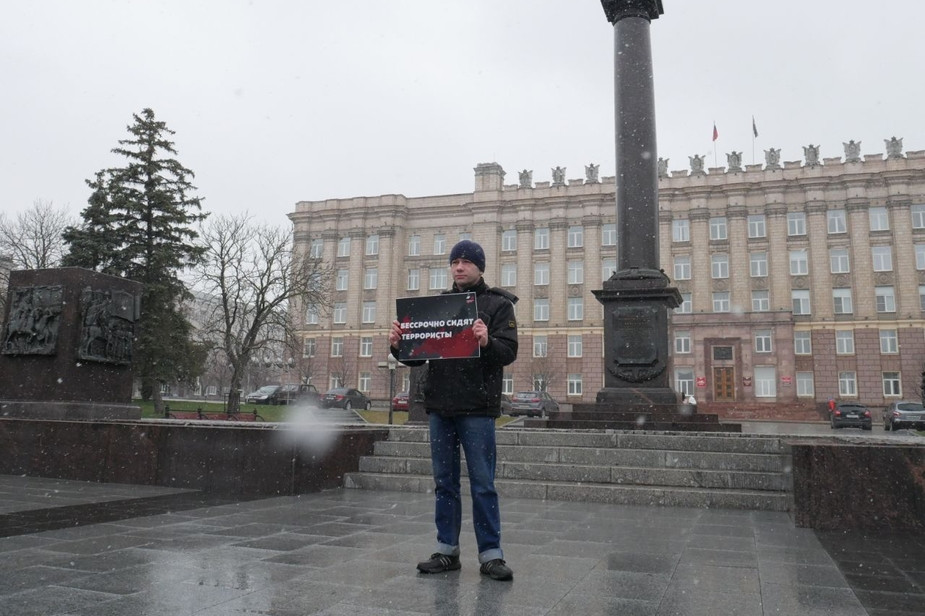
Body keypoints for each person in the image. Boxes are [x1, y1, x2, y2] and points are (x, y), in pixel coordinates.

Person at [389, 239, 518, 581]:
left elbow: (509, 352)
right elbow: (417, 357)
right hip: (440, 407)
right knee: (444, 483)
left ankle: (491, 555)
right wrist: (399, 346)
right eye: (455, 262)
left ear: (480, 267)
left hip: (477, 407)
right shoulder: (438, 305)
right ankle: (447, 550)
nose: (459, 267)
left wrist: (488, 341)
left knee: (482, 484)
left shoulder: (498, 305)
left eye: (466, 262)